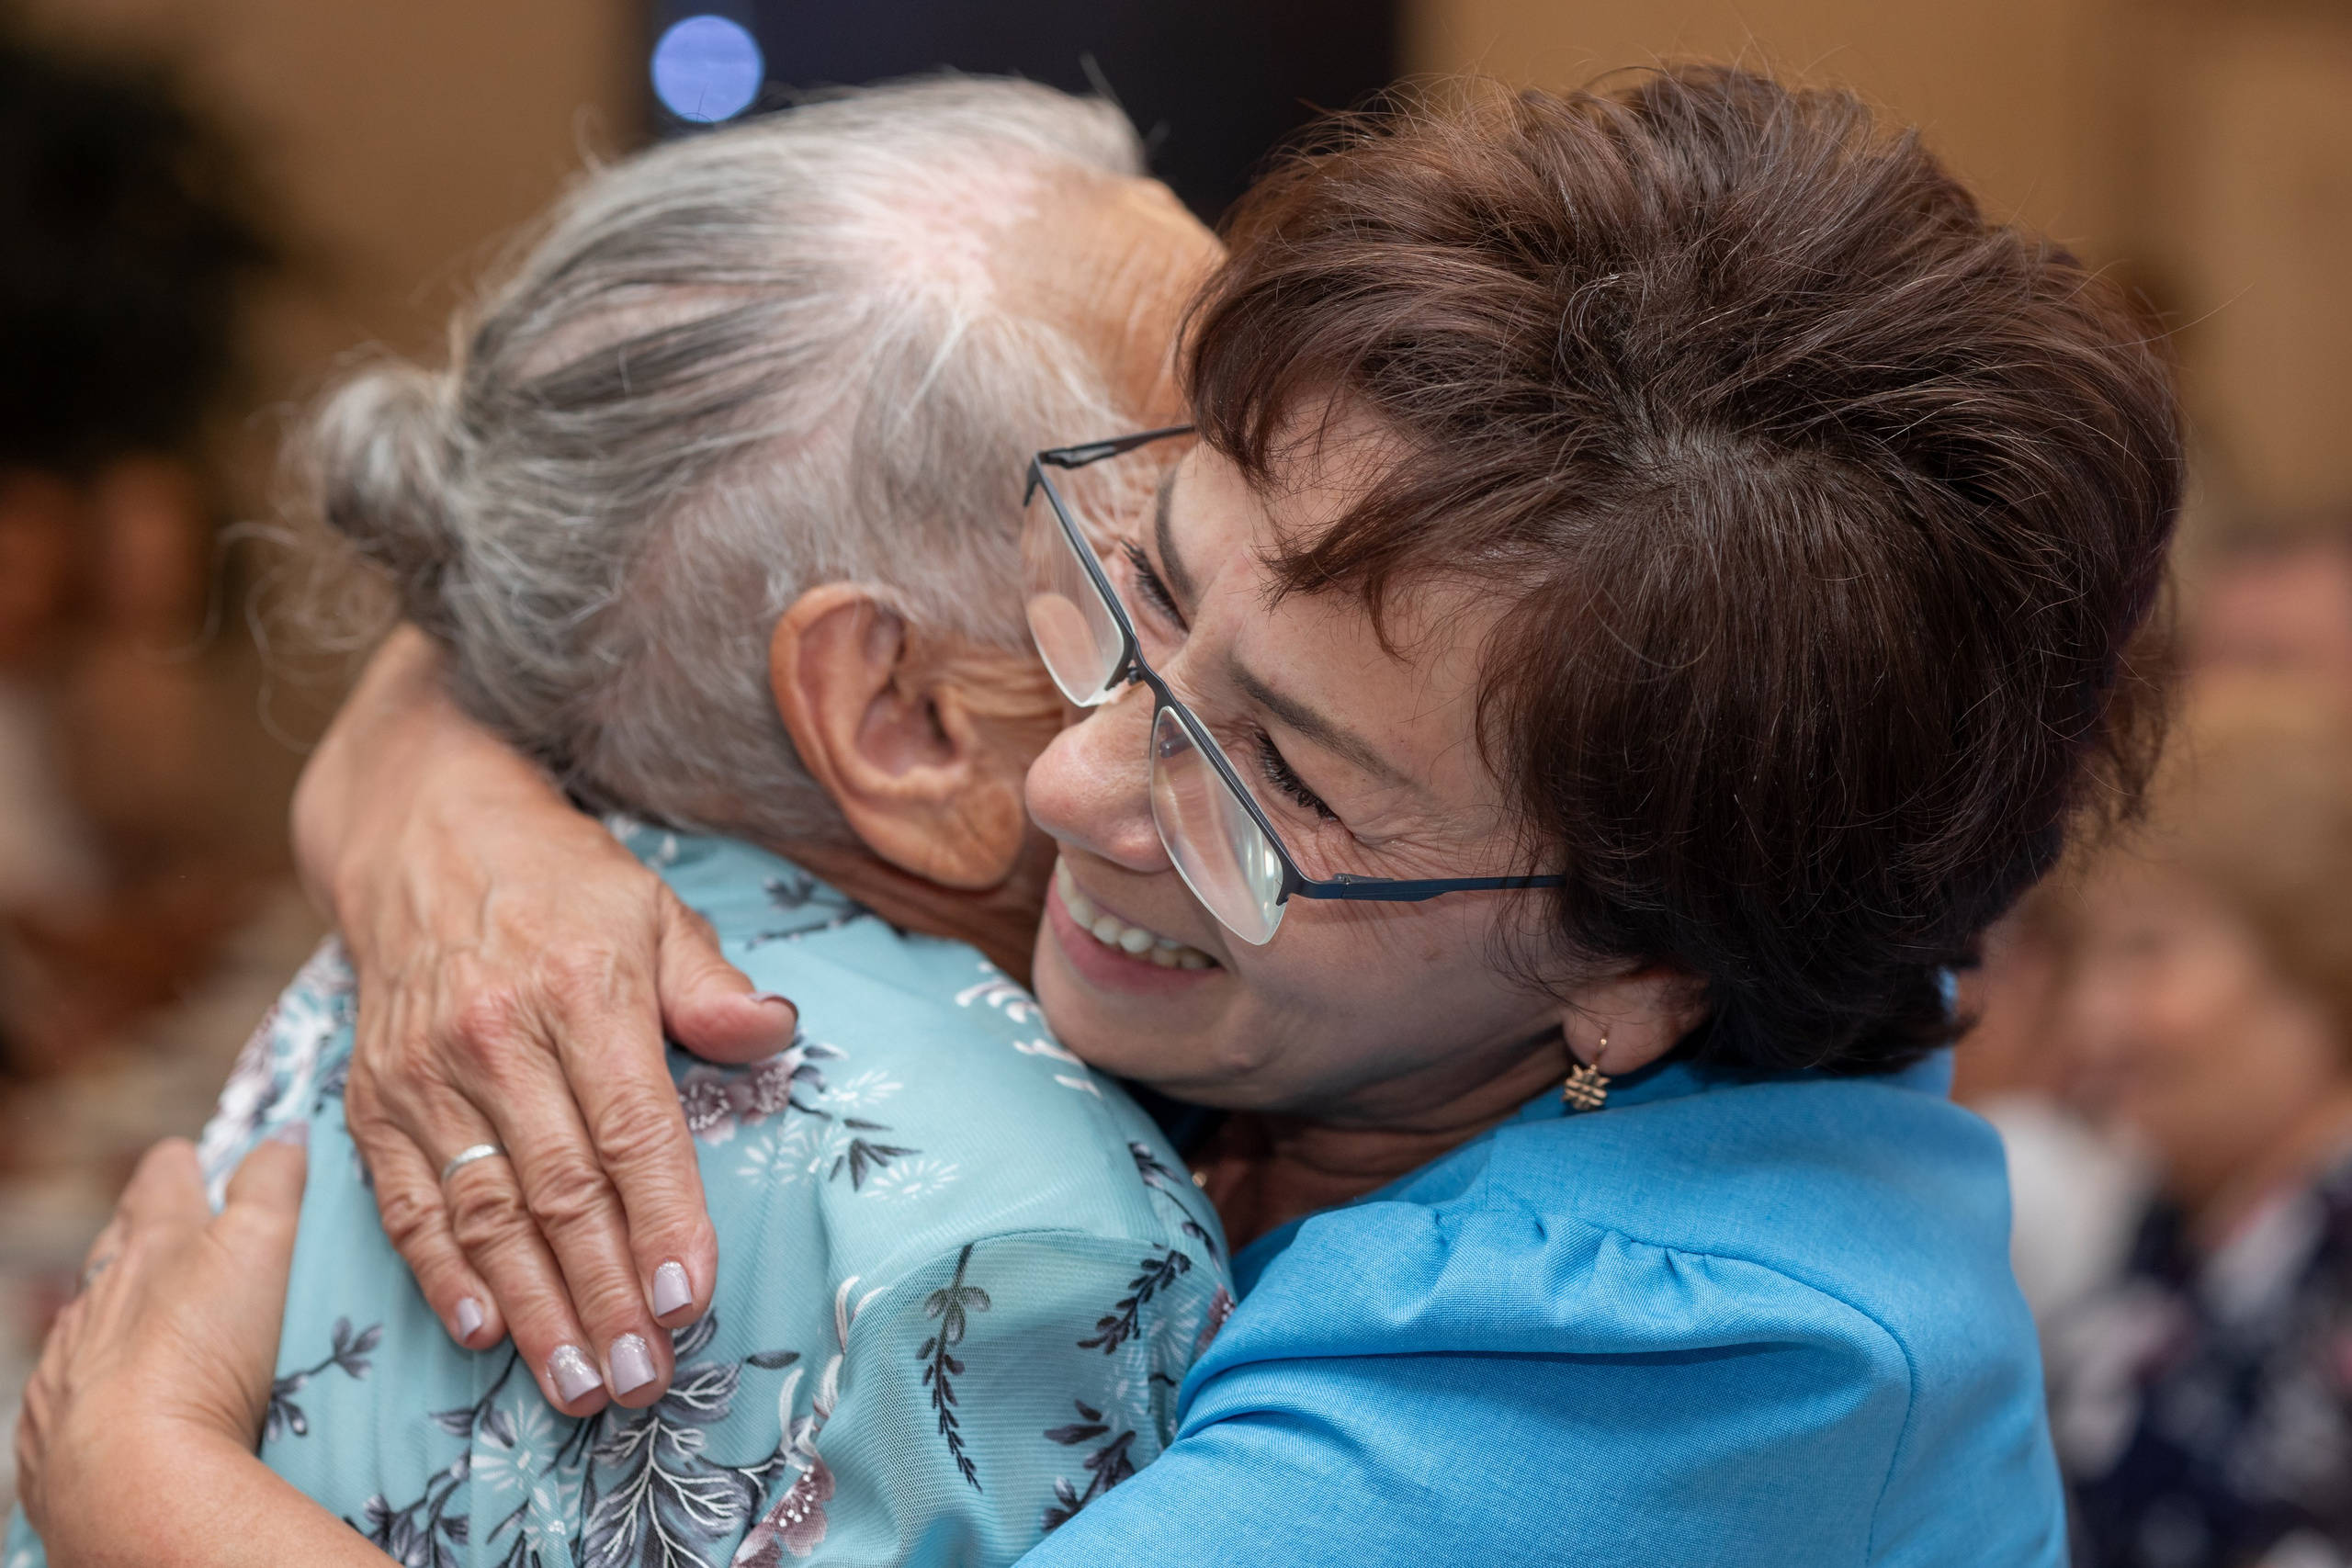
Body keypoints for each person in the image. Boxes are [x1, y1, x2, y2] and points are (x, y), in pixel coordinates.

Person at [20, 64, 2183, 1564]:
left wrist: (131, 1473)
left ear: (1639, 970)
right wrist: (439, 798)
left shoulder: (1695, 1360)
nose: (1070, 779)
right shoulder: (1417, 922)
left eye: (1272, 773)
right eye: (1137, 581)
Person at [12, 77, 1235, 1568]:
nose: (1312, 518)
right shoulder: (1038, 1251)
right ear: (907, 718)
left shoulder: (381, 982)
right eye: (1191, 526)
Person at [2052, 678, 2352, 1568]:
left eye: (2149, 952)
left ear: (2314, 952)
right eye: (2087, 957)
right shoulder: (2173, 1231)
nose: (2094, 1019)